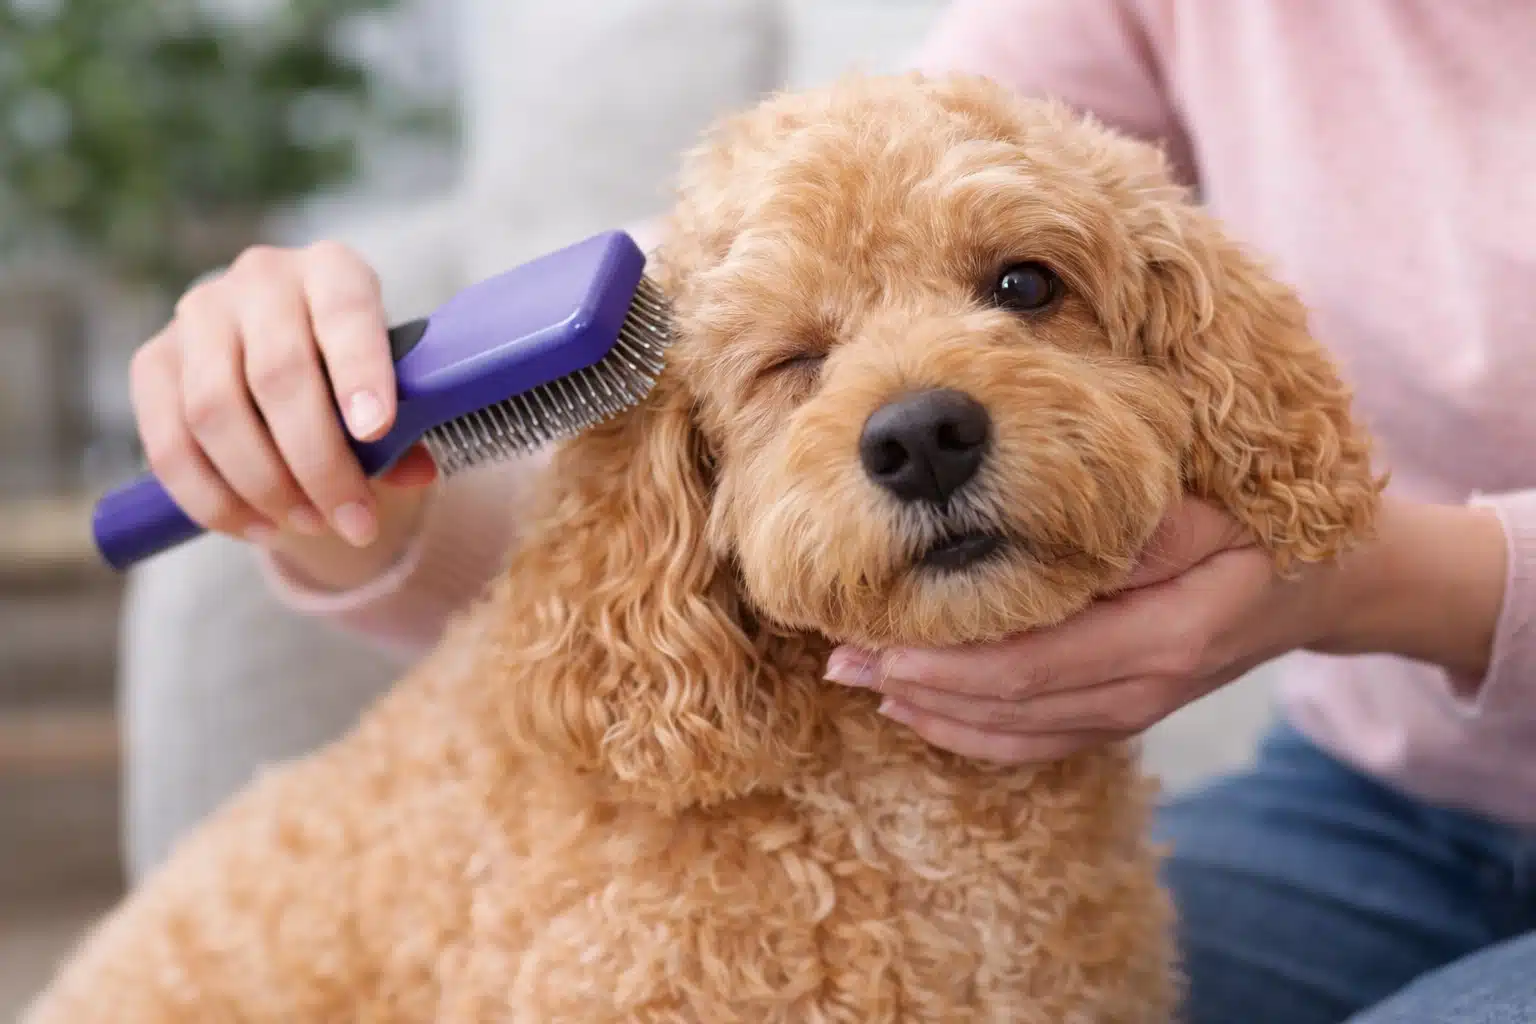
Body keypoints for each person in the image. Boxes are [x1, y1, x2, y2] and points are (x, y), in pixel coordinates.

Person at [123, 1, 1536, 1021]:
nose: (914, 411)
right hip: (1378, 800)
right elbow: (880, 177)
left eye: (1021, 290)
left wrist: (1364, 579)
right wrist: (333, 493)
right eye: (802, 363)